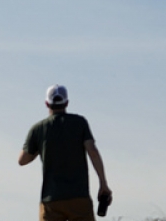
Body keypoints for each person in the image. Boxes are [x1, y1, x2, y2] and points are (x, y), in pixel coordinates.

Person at [19, 84, 112, 221]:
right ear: (67, 102)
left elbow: (22, 160)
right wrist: (103, 184)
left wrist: (41, 146)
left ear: (46, 103)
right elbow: (92, 151)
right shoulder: (80, 123)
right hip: (79, 196)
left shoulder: (38, 129)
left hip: (51, 199)